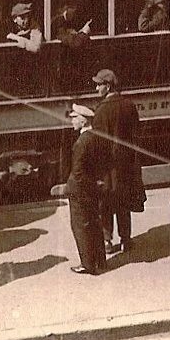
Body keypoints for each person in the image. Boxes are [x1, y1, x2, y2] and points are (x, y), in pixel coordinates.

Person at [91, 69, 144, 254]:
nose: (96, 88)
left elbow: (97, 143)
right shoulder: (129, 105)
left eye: (99, 84)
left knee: (105, 203)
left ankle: (107, 240)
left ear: (108, 86)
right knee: (123, 203)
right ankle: (126, 239)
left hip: (107, 166)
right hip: (126, 165)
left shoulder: (101, 110)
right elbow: (136, 135)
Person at [65, 103, 109, 275]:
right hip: (92, 188)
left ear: (83, 121)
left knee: (81, 226)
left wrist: (83, 189)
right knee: (95, 224)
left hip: (80, 190)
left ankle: (87, 264)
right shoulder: (96, 137)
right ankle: (100, 260)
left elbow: (78, 171)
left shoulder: (81, 143)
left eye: (74, 118)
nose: (71, 122)